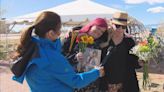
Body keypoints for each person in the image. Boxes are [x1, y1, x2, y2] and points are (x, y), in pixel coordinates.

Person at [11, 11, 105, 92]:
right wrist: (97, 72)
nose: (61, 33)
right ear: (51, 33)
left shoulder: (32, 48)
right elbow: (76, 81)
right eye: (59, 29)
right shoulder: (51, 57)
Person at [62, 18, 110, 91]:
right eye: (98, 28)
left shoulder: (99, 42)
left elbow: (113, 32)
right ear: (92, 25)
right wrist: (75, 57)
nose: (99, 32)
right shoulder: (73, 37)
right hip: (75, 81)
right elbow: (61, 57)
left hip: (91, 83)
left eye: (102, 31)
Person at [99, 12, 141, 92]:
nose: (120, 29)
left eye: (123, 27)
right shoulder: (103, 39)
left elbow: (134, 62)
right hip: (105, 83)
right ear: (112, 24)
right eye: (117, 26)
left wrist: (140, 63)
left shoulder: (129, 42)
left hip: (126, 84)